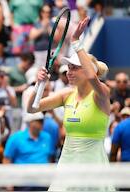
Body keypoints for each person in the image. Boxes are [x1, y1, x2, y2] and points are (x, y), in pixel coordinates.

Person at [27, 17, 114, 191]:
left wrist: (75, 42)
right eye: (69, 68)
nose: (69, 72)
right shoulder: (66, 95)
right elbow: (32, 108)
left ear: (90, 70)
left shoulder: (102, 93)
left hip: (94, 166)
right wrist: (38, 84)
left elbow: (91, 77)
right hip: (67, 164)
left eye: (75, 67)